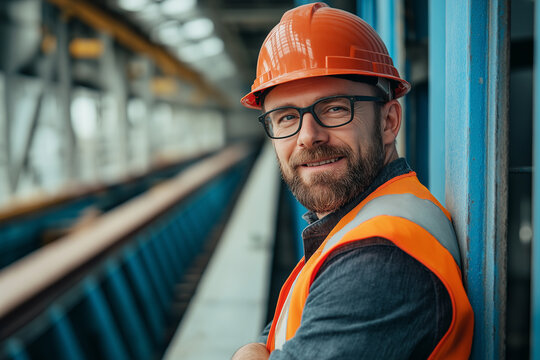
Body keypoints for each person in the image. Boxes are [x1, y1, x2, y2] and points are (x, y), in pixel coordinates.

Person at [233, 3, 474, 359]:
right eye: (285, 118)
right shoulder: (354, 222)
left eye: (334, 108)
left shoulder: (379, 260)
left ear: (389, 121)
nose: (308, 137)